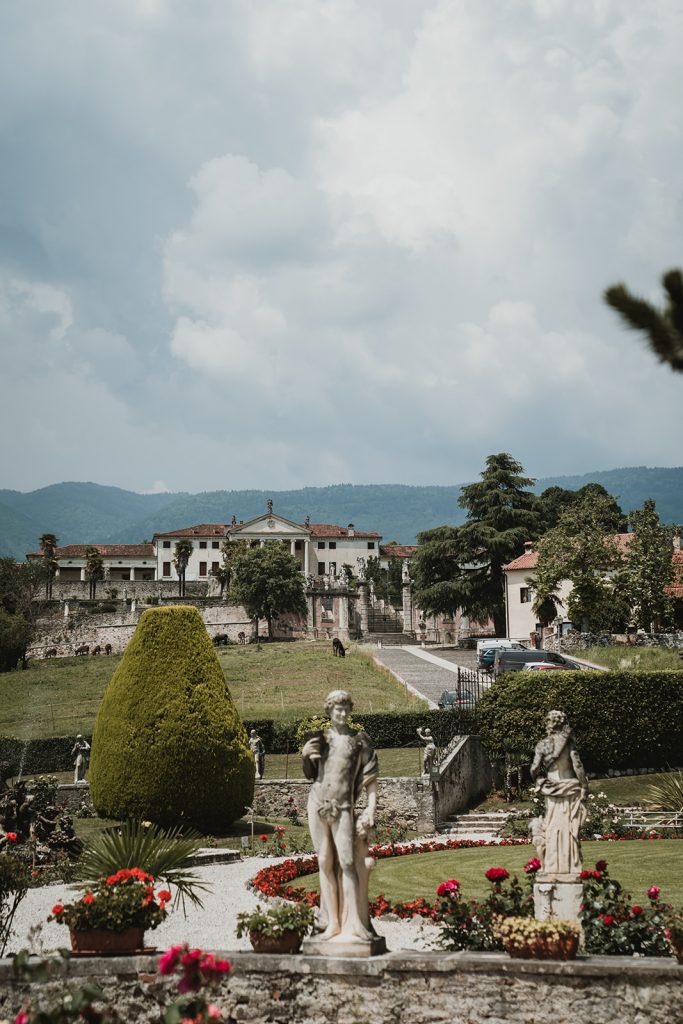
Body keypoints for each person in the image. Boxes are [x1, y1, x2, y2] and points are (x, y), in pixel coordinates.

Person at [302, 690, 379, 944]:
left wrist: (371, 808)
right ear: (329, 710)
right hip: (317, 803)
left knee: (346, 862)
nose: (342, 713)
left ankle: (355, 923)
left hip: (343, 805)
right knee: (324, 861)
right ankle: (331, 923)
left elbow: (370, 777)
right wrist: (306, 755)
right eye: (338, 709)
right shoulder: (321, 738)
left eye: (346, 709)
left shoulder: (359, 740)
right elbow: (310, 773)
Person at [530, 710, 588, 878]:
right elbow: (577, 765)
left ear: (550, 723)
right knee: (569, 829)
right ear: (562, 724)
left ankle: (552, 865)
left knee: (553, 827)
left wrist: (538, 779)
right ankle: (570, 865)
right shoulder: (568, 743)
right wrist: (584, 786)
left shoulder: (542, 744)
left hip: (552, 790)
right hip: (570, 788)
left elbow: (534, 768)